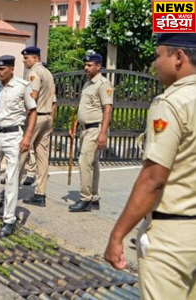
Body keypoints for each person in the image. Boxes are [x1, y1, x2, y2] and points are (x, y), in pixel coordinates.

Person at [105, 33, 196, 300]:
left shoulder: (171, 103)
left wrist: (117, 234)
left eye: (159, 55)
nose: (155, 64)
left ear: (178, 57)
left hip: (172, 237)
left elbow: (153, 179)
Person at [0, 55, 37, 237]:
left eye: (2, 69)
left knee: (11, 178)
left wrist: (27, 137)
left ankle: (9, 219)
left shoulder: (22, 87)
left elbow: (33, 111)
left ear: (12, 69)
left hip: (14, 136)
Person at [68, 53, 113, 212]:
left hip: (95, 129)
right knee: (93, 164)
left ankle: (85, 199)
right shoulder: (88, 84)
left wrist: (103, 133)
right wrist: (76, 122)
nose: (86, 67)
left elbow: (107, 109)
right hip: (86, 129)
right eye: (85, 64)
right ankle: (94, 198)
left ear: (98, 66)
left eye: (89, 65)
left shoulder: (103, 84)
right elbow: (85, 106)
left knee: (84, 162)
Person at [19, 46, 56, 207]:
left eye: (26, 58)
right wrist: (52, 120)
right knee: (42, 156)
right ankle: (40, 193)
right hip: (47, 116)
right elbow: (54, 100)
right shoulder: (48, 73)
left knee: (21, 152)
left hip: (36, 117)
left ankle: (12, 189)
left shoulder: (33, 73)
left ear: (35, 58)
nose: (24, 60)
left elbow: (32, 96)